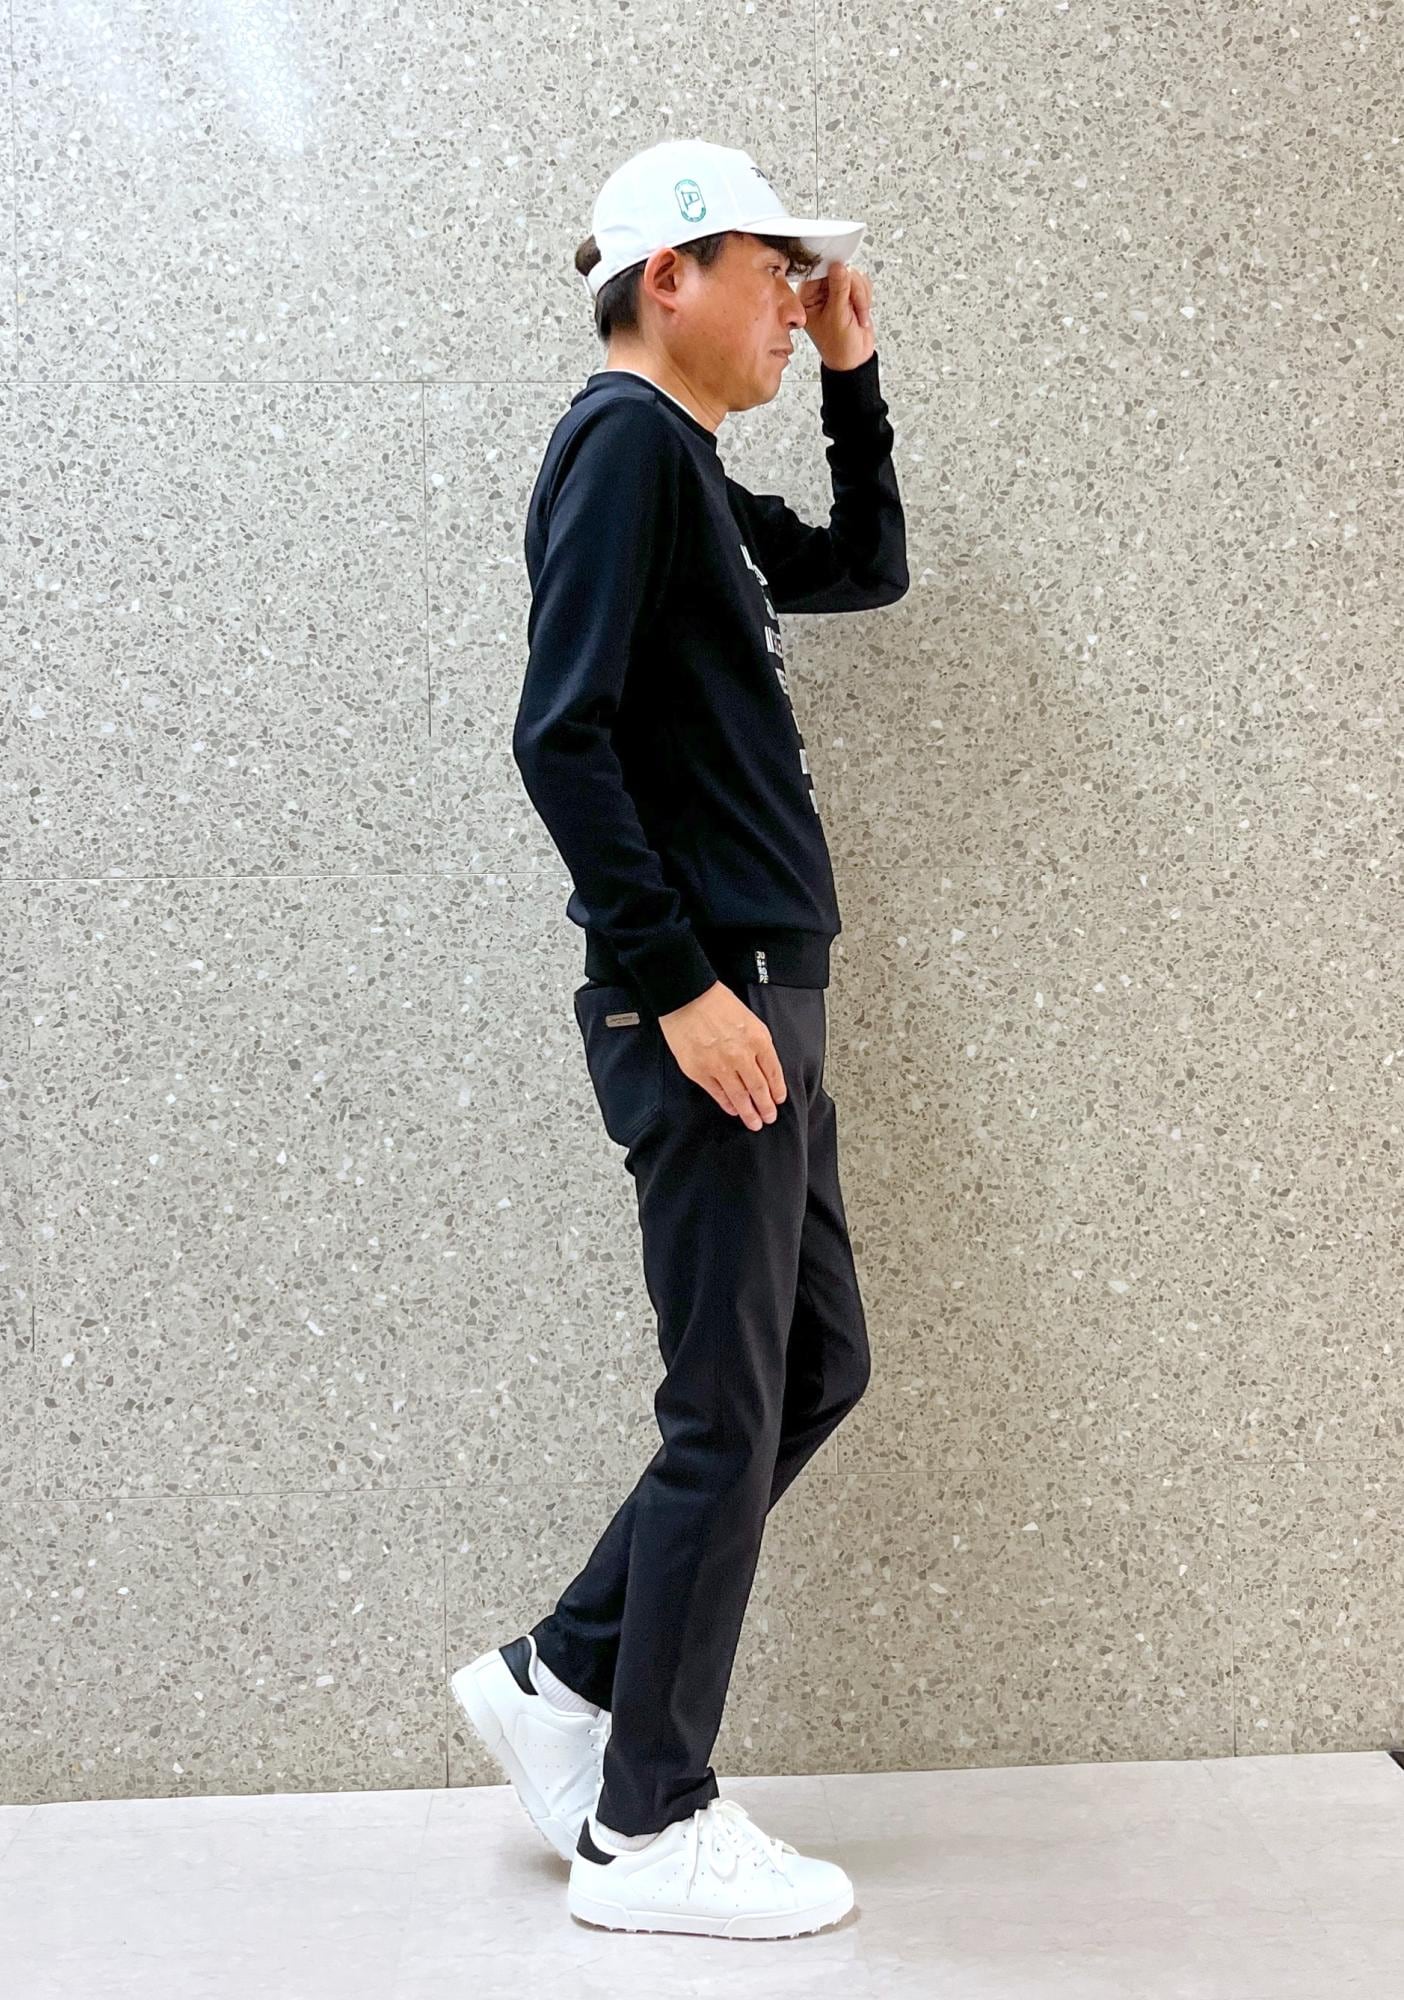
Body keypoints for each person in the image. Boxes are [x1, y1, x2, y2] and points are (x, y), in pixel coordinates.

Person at [449, 137, 909, 1941]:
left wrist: (855, 380)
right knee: (727, 1402)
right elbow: (558, 734)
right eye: (773, 273)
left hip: (760, 982)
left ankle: (565, 1672)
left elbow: (864, 567)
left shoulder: (690, 472)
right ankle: (650, 1823)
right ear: (670, 276)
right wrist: (679, 983)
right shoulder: (623, 445)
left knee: (810, 1366)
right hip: (712, 993)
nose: (796, 303)